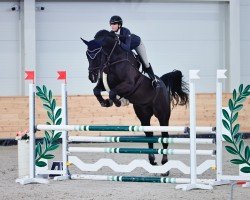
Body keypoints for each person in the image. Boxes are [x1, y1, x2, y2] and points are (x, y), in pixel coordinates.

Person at [109, 15, 160, 88]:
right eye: (111, 24)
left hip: (137, 44)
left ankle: (154, 80)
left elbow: (127, 48)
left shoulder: (126, 31)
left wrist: (119, 42)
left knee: (145, 62)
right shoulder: (111, 34)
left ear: (119, 25)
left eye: (114, 24)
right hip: (127, 46)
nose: (112, 26)